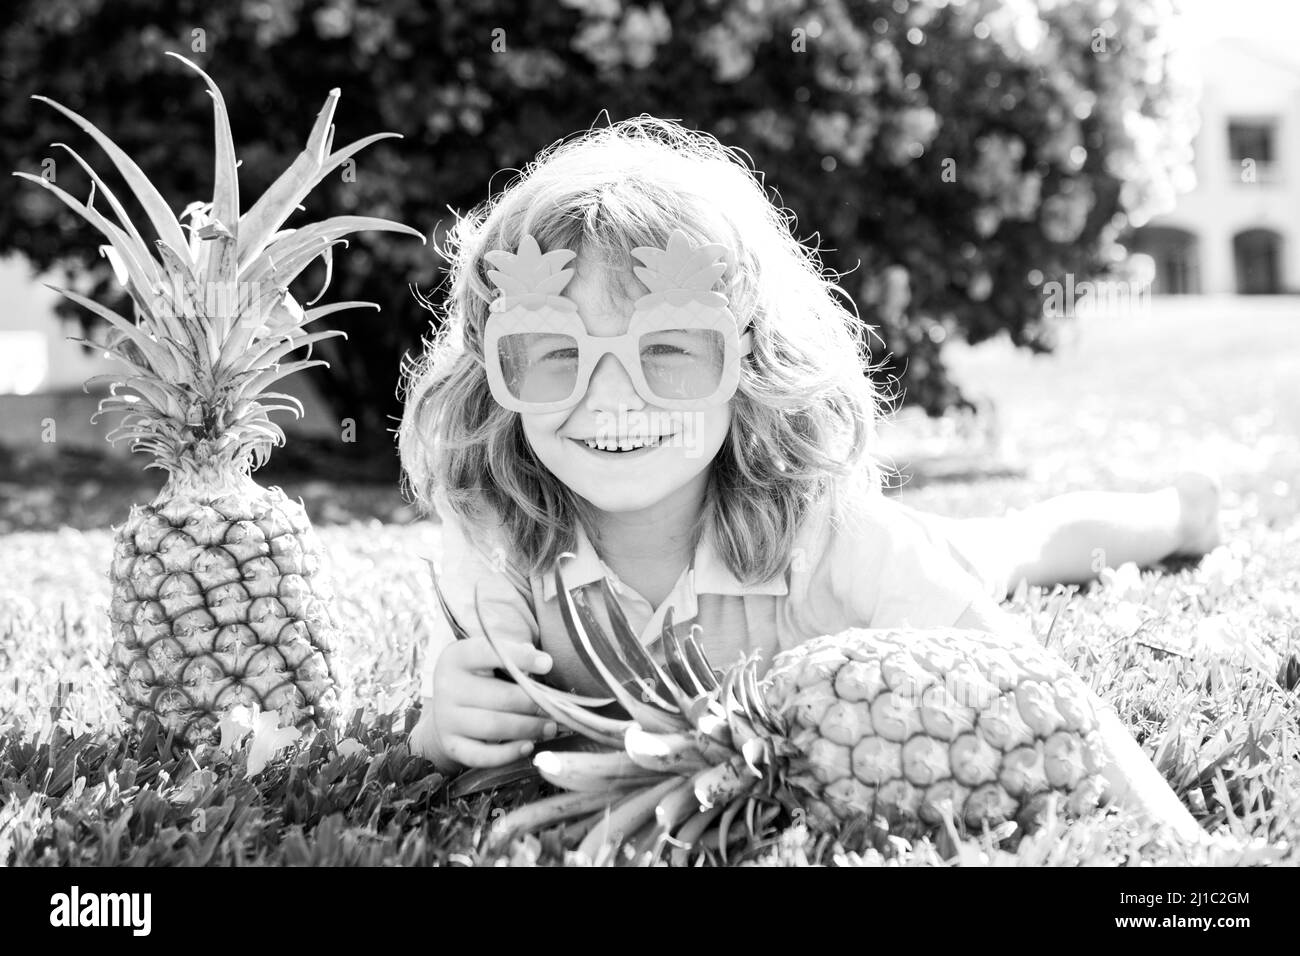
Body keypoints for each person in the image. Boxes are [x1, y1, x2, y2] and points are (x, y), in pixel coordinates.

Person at [396, 117, 1214, 839]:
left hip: (867, 548)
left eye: (670, 348)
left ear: (751, 361)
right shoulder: (498, 541)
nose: (613, 396)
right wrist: (443, 726)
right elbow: (440, 726)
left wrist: (1185, 851)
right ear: (494, 376)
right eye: (558, 354)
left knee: (1021, 545)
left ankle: (1175, 515)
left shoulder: (835, 532)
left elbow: (1044, 690)